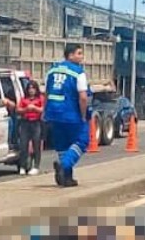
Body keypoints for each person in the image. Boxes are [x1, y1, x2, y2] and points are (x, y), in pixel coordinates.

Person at [44, 44, 90, 188]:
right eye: (79, 53)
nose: (82, 57)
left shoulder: (52, 70)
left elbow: (46, 93)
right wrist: (83, 116)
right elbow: (83, 97)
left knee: (63, 145)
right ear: (70, 55)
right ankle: (64, 166)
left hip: (53, 113)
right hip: (71, 113)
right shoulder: (78, 72)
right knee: (81, 141)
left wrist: (45, 111)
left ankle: (67, 178)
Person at [17, 80, 45, 175]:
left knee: (36, 144)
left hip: (36, 122)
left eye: (33, 88)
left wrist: (35, 108)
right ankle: (23, 166)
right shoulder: (24, 99)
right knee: (23, 145)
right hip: (25, 123)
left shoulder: (40, 98)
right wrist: (26, 109)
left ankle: (36, 166)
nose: (31, 90)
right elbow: (18, 109)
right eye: (29, 88)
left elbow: (43, 109)